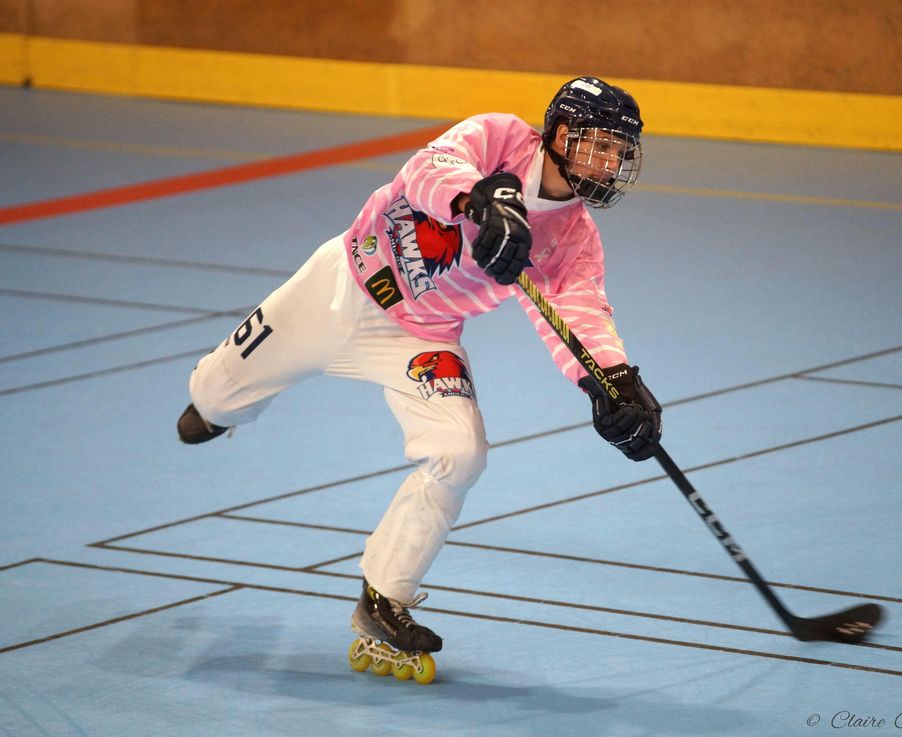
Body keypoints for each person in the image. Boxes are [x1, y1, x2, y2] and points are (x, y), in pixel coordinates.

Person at [177, 76, 663, 658]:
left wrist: (611, 380)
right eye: (599, 145)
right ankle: (220, 405)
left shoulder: (574, 237)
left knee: (460, 453)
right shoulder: (500, 137)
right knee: (213, 397)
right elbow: (426, 169)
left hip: (421, 336)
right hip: (343, 284)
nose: (609, 164)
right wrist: (480, 199)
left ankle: (384, 596)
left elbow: (580, 311)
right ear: (560, 134)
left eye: (618, 152)